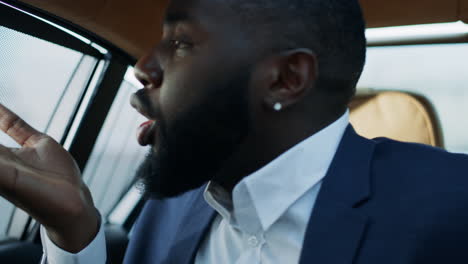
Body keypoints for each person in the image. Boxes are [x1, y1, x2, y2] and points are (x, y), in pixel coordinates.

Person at [0, 0, 467, 263]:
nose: (143, 67)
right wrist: (75, 233)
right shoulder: (171, 205)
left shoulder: (454, 205)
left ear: (286, 79)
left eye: (181, 43)